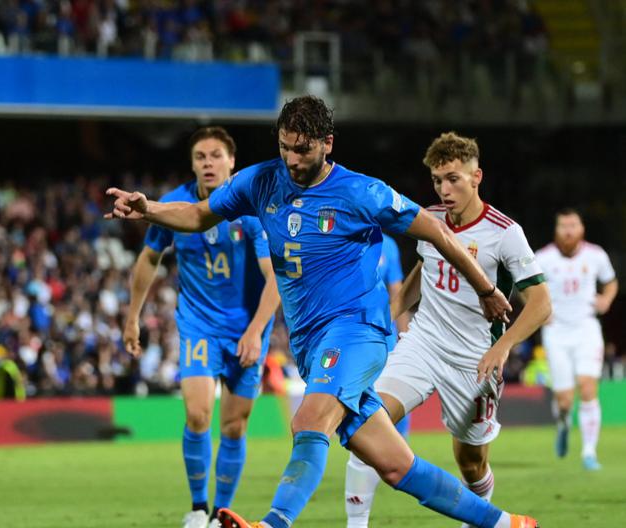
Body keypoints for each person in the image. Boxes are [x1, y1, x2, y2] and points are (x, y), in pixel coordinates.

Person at [106, 96, 538, 528]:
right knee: (395, 466)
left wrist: (485, 289)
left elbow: (440, 232)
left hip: (357, 331)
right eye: (285, 147)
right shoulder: (261, 182)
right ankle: (506, 524)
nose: (292, 159)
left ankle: (272, 524)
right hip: (311, 345)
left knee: (309, 420)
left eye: (303, 149)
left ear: (327, 143)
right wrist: (150, 209)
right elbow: (200, 213)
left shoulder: (360, 192)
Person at [342, 132, 552, 527]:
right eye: (438, 180)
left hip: (474, 359)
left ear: (477, 177)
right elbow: (425, 271)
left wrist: (503, 347)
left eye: (453, 178)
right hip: (423, 342)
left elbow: (541, 303)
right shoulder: (431, 219)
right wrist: (390, 313)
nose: (444, 188)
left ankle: (479, 518)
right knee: (367, 422)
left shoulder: (504, 233)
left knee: (470, 463)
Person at [124, 126, 280, 528]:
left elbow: (274, 277)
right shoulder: (174, 206)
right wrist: (131, 317)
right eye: (199, 157)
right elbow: (148, 260)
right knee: (197, 414)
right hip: (199, 325)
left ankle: (219, 514)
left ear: (232, 162)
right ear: (192, 163)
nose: (207, 163)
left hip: (248, 328)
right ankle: (197, 507)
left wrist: (256, 329)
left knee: (234, 424)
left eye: (215, 156)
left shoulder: (250, 209)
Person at [535, 208, 617, 470]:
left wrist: (606, 299)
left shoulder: (596, 255)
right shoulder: (543, 258)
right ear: (556, 231)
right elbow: (527, 288)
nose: (568, 230)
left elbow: (611, 282)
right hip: (556, 331)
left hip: (586, 328)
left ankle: (589, 452)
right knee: (564, 401)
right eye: (563, 226)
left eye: (573, 225)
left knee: (588, 386)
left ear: (581, 228)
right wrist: (538, 312)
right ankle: (563, 423)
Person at [344, 232, 413, 525]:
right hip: (348, 337)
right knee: (364, 413)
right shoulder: (343, 236)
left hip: (383, 338)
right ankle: (372, 468)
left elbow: (398, 290)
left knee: (390, 405)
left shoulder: (390, 246)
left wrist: (404, 333)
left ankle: (398, 458)